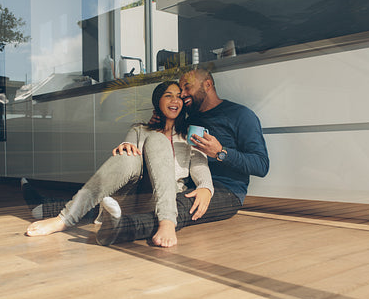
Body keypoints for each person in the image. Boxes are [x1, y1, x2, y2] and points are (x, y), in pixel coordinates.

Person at [23, 81, 214, 248]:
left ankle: (167, 222)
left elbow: (200, 167)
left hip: (163, 201)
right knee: (129, 153)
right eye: (168, 96)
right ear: (158, 102)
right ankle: (64, 219)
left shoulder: (189, 135)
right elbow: (127, 150)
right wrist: (129, 144)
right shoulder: (139, 129)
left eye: (179, 97)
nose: (175, 100)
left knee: (157, 140)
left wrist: (206, 187)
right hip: (129, 197)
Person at [110, 67, 269, 245]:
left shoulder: (240, 115)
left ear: (207, 85)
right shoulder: (188, 118)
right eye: (180, 90)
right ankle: (110, 213)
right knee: (165, 197)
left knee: (178, 205)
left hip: (227, 191)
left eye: (187, 88)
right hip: (186, 183)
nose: (182, 94)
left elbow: (261, 165)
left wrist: (220, 153)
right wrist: (158, 121)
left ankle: (121, 228)